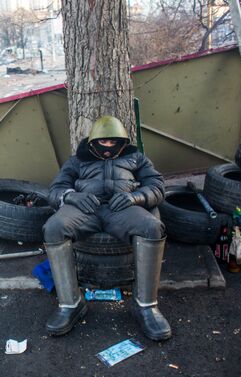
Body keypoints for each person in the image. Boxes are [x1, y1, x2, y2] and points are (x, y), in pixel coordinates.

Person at [42, 115, 171, 341]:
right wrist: (73, 197)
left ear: (122, 141)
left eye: (114, 142)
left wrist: (136, 197)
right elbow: (55, 190)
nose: (108, 147)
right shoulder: (77, 160)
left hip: (120, 209)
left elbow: (157, 186)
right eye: (104, 142)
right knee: (53, 227)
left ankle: (146, 306)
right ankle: (70, 304)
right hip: (85, 210)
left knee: (152, 227)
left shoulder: (136, 158)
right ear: (93, 142)